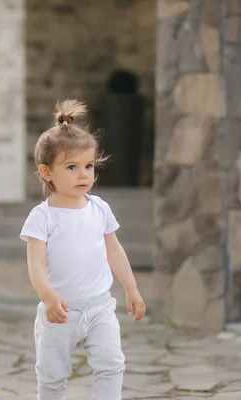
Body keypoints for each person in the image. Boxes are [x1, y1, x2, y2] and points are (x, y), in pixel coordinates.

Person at [20, 99, 146, 400]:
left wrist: (131, 287)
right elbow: (36, 265)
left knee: (111, 365)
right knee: (52, 377)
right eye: (72, 167)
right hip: (60, 312)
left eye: (89, 166)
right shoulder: (43, 217)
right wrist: (48, 297)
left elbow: (114, 251)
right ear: (47, 172)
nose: (83, 174)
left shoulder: (99, 208)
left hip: (100, 307)